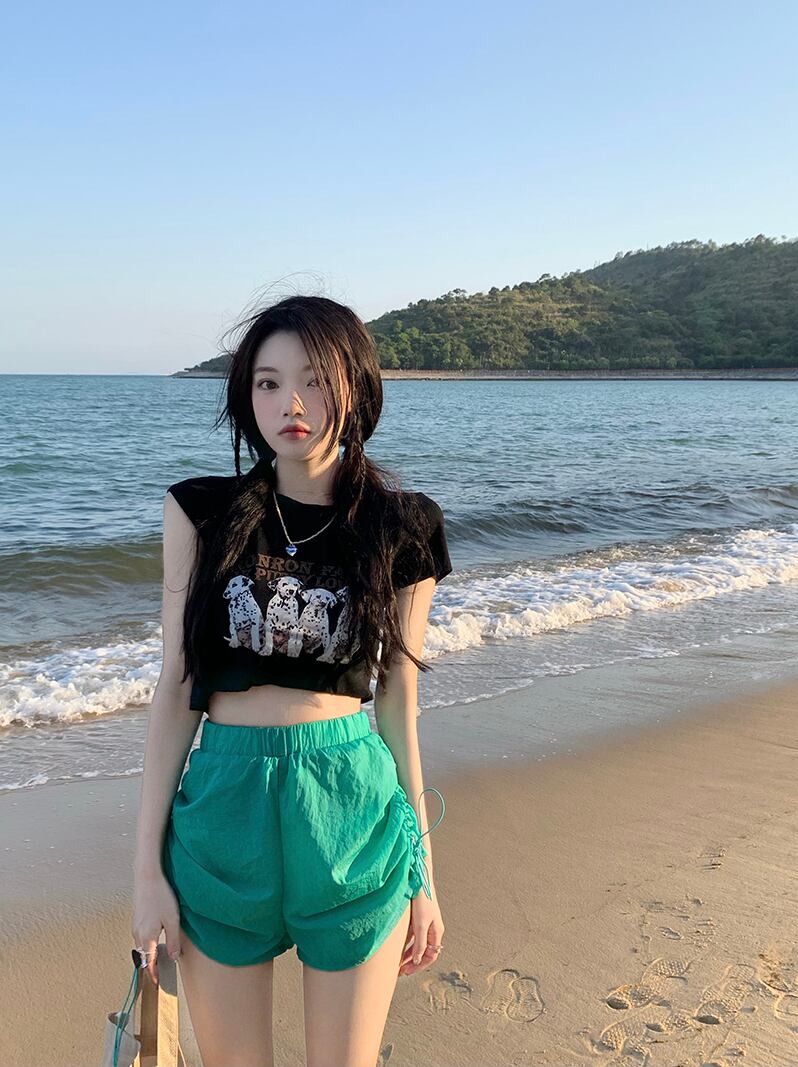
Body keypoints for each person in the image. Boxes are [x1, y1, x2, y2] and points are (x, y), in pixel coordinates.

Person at [131, 294, 454, 1067]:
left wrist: (424, 874)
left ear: (356, 388)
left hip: (350, 808)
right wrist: (146, 870)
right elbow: (177, 685)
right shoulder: (200, 512)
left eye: (314, 380)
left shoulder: (404, 525)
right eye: (269, 383)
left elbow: (399, 705)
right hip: (222, 813)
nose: (291, 404)